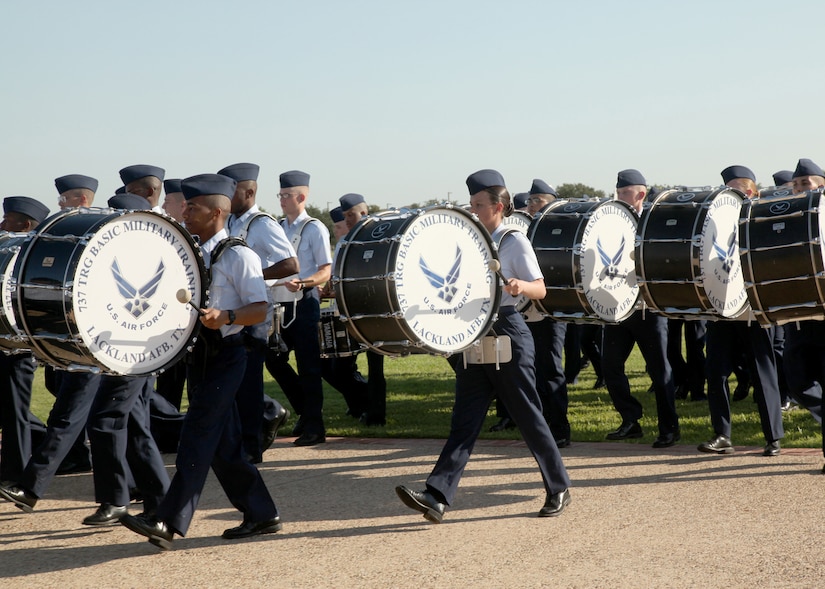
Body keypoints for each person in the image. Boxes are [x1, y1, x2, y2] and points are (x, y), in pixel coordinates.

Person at [396, 169, 571, 523]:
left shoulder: (513, 240)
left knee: (528, 416)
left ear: (499, 206)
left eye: (478, 205)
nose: (472, 210)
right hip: (474, 334)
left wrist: (520, 285)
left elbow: (540, 288)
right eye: (471, 204)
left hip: (507, 331)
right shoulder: (467, 242)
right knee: (464, 420)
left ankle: (559, 487)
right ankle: (437, 496)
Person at [119, 173, 280, 549]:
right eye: (186, 207)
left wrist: (227, 316)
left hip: (227, 356)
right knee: (224, 446)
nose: (185, 213)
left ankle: (166, 520)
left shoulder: (238, 255)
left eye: (193, 208)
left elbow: (260, 308)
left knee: (196, 437)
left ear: (217, 213)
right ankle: (261, 513)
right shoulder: (189, 253)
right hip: (199, 358)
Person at [0, 176, 102, 511]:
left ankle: (25, 483)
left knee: (74, 416)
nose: (2, 225)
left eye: (8, 220)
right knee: (114, 420)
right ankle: (129, 489)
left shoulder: (52, 252)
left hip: (80, 344)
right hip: (67, 342)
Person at [79, 192, 173, 527]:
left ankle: (117, 499)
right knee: (134, 426)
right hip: (125, 353)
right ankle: (159, 502)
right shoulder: (127, 255)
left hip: (133, 353)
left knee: (104, 420)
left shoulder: (146, 257)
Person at [697, 165, 784, 457]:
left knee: (762, 372)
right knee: (715, 372)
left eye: (735, 190)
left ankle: (773, 436)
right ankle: (722, 434)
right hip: (722, 308)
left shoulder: (763, 218)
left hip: (752, 308)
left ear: (751, 191)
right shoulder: (713, 222)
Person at [219, 162, 296, 462]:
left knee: (249, 382)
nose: (226, 197)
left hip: (255, 313)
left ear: (249, 192)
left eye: (232, 191)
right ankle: (249, 433)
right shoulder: (230, 222)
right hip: (233, 311)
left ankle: (251, 448)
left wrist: (251, 276)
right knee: (234, 383)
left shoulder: (262, 224)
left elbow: (291, 264)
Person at [602, 169, 680, 448]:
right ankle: (630, 419)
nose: (619, 197)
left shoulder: (653, 221)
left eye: (625, 193)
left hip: (648, 308)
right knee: (610, 367)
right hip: (618, 308)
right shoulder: (610, 222)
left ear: (641, 195)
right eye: (618, 193)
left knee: (659, 371)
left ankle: (669, 428)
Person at [265, 170, 332, 446]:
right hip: (279, 303)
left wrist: (304, 282)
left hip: (304, 302)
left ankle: (315, 427)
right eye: (280, 195)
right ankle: (306, 411)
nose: (281, 200)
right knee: (273, 359)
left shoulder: (314, 228)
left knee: (308, 367)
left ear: (301, 197)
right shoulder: (277, 227)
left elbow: (325, 270)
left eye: (286, 195)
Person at [0, 197, 50, 484]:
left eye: (8, 220)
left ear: (26, 225)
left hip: (17, 346)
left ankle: (14, 474)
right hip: (3, 340)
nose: (2, 224)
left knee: (15, 411)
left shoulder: (32, 259)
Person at [780, 158, 825, 471]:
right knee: (797, 383)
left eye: (804, 183)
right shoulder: (786, 220)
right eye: (795, 185)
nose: (798, 189)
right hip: (797, 315)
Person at [339, 193, 387, 426]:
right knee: (341, 365)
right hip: (352, 310)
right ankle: (364, 405)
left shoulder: (379, 239)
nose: (347, 220)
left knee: (375, 365)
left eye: (351, 215)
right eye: (345, 216)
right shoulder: (346, 243)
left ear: (364, 213)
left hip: (376, 308)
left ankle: (377, 415)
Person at [318, 205, 370, 419]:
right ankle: (358, 402)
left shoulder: (357, 245)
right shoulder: (340, 246)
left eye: (339, 226)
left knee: (342, 367)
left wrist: (333, 291)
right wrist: (325, 291)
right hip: (338, 311)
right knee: (327, 366)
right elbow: (334, 280)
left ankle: (364, 400)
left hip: (353, 313)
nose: (336, 230)